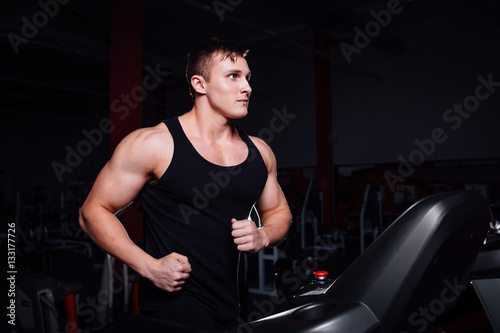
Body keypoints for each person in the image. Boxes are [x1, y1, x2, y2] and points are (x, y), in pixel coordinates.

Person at [79, 37, 292, 330]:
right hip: (173, 303)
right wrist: (148, 267)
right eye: (233, 76)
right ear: (199, 84)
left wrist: (263, 235)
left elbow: (279, 212)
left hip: (230, 302)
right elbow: (92, 212)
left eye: (247, 77)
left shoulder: (259, 152)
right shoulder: (154, 145)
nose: (247, 87)